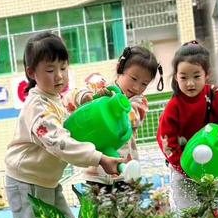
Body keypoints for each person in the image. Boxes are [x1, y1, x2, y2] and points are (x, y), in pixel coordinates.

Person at [5, 32, 123, 218]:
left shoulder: (54, 99)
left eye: (63, 67)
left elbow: (75, 112)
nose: (59, 76)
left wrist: (93, 102)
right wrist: (99, 158)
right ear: (32, 73)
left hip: (47, 182)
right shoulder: (37, 107)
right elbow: (59, 142)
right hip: (26, 183)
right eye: (50, 70)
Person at [157, 41, 218, 211]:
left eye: (196, 76)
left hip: (213, 166)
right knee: (187, 213)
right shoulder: (173, 106)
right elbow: (167, 141)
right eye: (183, 77)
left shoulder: (214, 94)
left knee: (215, 209)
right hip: (184, 168)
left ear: (207, 75)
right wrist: (185, 169)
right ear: (176, 77)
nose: (190, 83)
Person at [65, 46, 163, 191]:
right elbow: (69, 97)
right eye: (134, 78)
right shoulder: (101, 88)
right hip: (96, 172)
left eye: (144, 83)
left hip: (124, 170)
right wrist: (87, 97)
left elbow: (131, 117)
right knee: (95, 212)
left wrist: (112, 104)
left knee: (127, 211)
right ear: (120, 68)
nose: (137, 87)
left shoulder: (140, 102)